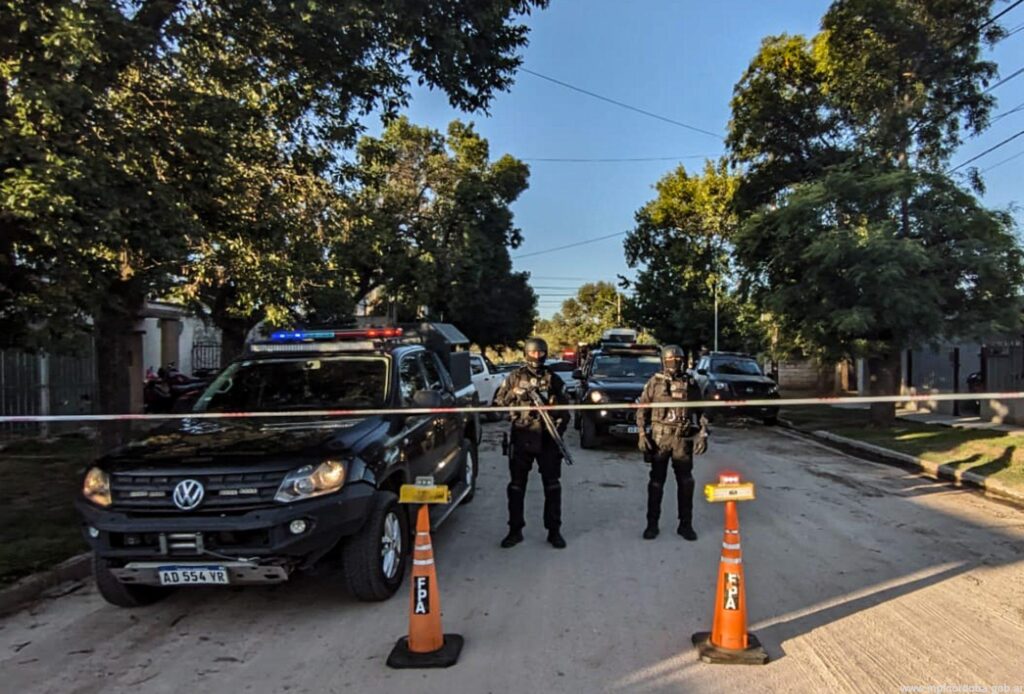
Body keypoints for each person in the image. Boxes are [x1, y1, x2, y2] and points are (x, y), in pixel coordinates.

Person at [493, 337, 571, 549]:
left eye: (541, 352)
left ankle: (554, 531)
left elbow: (566, 411)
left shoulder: (553, 378)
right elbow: (498, 403)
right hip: (522, 437)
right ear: (527, 353)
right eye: (533, 352)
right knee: (516, 487)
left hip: (547, 439)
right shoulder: (514, 377)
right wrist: (515, 393)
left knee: (552, 487)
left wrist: (557, 430)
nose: (537, 356)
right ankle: (515, 530)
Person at [635, 345, 708, 541]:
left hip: (682, 440)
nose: (675, 363)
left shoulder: (691, 383)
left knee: (686, 483)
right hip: (660, 440)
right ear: (663, 361)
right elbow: (642, 409)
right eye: (670, 359)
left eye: (678, 359)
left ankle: (685, 525)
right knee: (656, 483)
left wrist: (703, 433)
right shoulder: (655, 382)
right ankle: (652, 525)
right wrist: (642, 433)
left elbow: (702, 411)